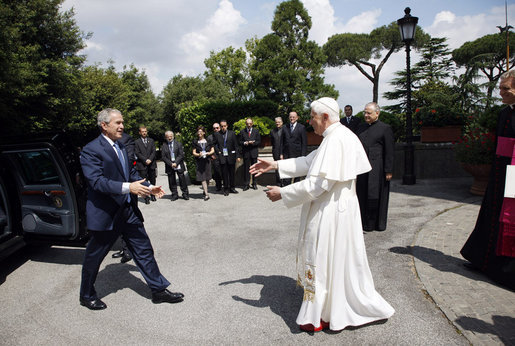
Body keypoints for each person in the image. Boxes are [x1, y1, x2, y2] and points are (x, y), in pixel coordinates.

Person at [250, 97, 394, 332]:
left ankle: (322, 314)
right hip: (340, 210)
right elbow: (310, 161)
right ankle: (329, 309)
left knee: (325, 258)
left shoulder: (337, 140)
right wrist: (274, 165)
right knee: (336, 261)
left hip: (332, 212)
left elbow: (318, 185)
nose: (310, 122)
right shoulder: (337, 136)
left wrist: (283, 193)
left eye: (313, 117)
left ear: (325, 117)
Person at [79, 108, 184, 310]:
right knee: (95, 256)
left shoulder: (121, 146)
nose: (122, 126)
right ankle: (86, 295)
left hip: (128, 211)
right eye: (117, 123)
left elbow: (132, 172)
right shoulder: (91, 150)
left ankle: (158, 290)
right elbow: (97, 182)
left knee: (144, 249)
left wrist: (147, 187)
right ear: (104, 125)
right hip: (106, 214)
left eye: (122, 122)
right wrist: (129, 188)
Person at [461, 70, 515, 290]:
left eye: (506, 89)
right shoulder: (504, 113)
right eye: (501, 88)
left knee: (508, 219)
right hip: (500, 171)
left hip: (513, 173)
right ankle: (482, 259)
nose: (501, 92)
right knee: (491, 213)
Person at [356, 102, 394, 232]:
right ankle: (364, 223)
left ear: (377, 113)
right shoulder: (360, 128)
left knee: (376, 196)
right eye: (365, 112)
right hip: (362, 168)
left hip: (378, 168)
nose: (366, 115)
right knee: (362, 194)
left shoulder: (385, 128)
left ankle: (377, 223)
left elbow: (389, 151)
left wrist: (388, 170)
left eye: (369, 113)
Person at [111, 131, 135, 263]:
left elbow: (129, 163)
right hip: (111, 191)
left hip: (126, 188)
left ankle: (128, 250)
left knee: (129, 221)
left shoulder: (126, 140)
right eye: (118, 123)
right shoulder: (97, 144)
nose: (121, 126)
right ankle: (126, 248)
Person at [212, 120, 240, 196]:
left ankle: (232, 188)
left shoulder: (232, 133)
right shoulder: (217, 134)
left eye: (224, 126)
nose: (223, 127)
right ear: (220, 127)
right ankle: (226, 189)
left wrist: (238, 156)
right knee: (224, 174)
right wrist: (218, 151)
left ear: (227, 126)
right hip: (222, 157)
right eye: (222, 126)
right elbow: (214, 144)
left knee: (232, 173)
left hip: (231, 156)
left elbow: (236, 145)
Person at [161, 130, 189, 201]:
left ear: (173, 136)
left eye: (171, 136)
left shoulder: (178, 144)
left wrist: (176, 162)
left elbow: (181, 155)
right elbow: (163, 157)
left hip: (178, 164)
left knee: (182, 179)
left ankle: (185, 193)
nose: (169, 138)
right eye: (168, 137)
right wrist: (171, 164)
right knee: (171, 180)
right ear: (165, 137)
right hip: (169, 165)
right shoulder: (164, 146)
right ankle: (174, 194)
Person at [281, 111, 307, 185]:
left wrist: (303, 156)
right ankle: (286, 189)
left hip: (297, 155)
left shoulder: (302, 128)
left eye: (293, 117)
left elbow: (304, 143)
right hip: (286, 154)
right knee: (287, 173)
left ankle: (295, 190)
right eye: (290, 117)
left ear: (297, 118)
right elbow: (281, 142)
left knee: (297, 174)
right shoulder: (284, 127)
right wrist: (281, 153)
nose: (292, 118)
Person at [135, 126, 157, 204]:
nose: (144, 133)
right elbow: (137, 153)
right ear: (140, 132)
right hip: (142, 165)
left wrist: (150, 159)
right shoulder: (137, 142)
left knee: (153, 180)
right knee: (144, 181)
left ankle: (153, 195)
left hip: (151, 164)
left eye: (145, 131)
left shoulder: (151, 141)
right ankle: (146, 197)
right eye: (143, 131)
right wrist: (145, 160)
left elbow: (153, 151)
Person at [193, 126, 215, 201]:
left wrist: (209, 153)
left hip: (207, 161)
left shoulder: (208, 141)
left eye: (201, 131)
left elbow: (212, 150)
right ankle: (206, 194)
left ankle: (205, 190)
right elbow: (194, 152)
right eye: (198, 132)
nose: (199, 133)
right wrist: (198, 155)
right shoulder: (195, 142)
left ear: (204, 133)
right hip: (200, 162)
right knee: (202, 178)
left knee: (208, 177)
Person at [240, 118, 261, 190]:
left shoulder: (256, 131)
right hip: (246, 153)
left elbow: (259, 141)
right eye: (247, 124)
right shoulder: (242, 131)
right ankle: (246, 184)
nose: (249, 125)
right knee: (246, 169)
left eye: (250, 124)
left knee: (255, 168)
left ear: (252, 124)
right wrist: (244, 143)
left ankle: (254, 183)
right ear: (246, 124)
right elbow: (239, 141)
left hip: (253, 152)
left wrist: (253, 143)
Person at [208, 123, 223, 191]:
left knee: (225, 171)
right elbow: (207, 147)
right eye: (214, 128)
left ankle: (226, 185)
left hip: (223, 156)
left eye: (217, 128)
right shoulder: (210, 137)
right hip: (215, 156)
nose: (216, 129)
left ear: (219, 128)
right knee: (217, 172)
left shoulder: (223, 135)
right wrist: (211, 155)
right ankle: (218, 186)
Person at [270, 116, 284, 186]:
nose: (277, 123)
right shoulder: (272, 131)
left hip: (284, 152)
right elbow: (272, 142)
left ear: (282, 122)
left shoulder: (286, 129)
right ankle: (278, 183)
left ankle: (284, 183)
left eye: (279, 122)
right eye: (276, 122)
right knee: (277, 168)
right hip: (276, 152)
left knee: (284, 167)